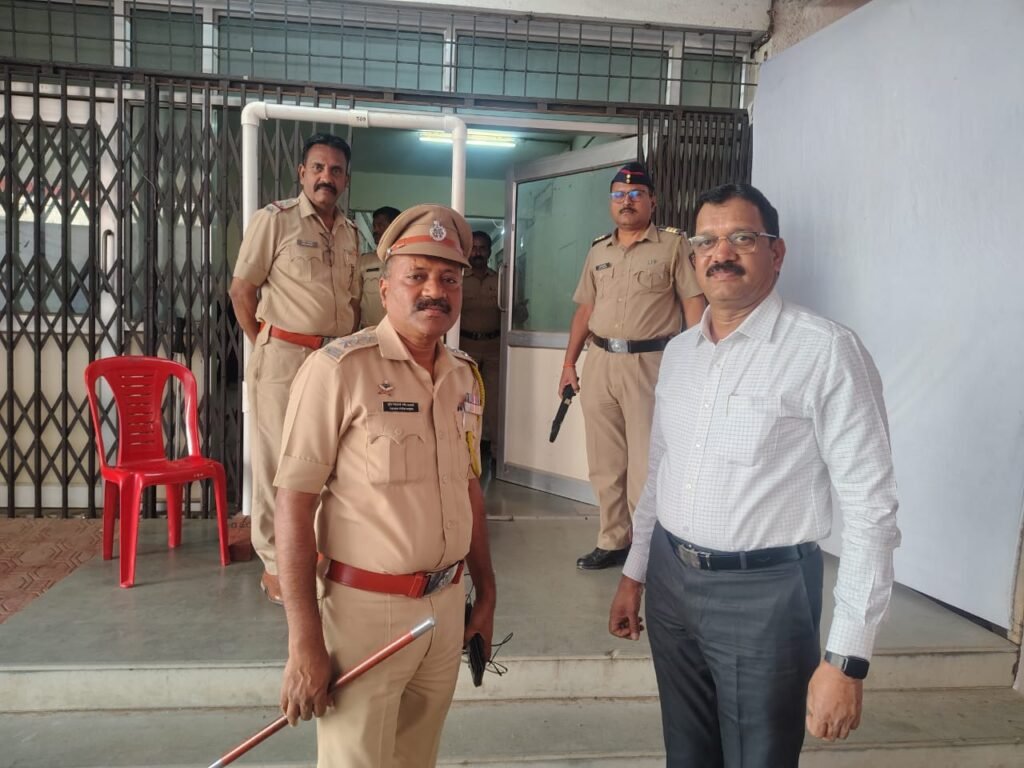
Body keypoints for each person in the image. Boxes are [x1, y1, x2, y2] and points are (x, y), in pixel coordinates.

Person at [608, 182, 901, 767]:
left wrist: (847, 658)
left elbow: (872, 510)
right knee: (687, 754)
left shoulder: (825, 351)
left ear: (776, 252)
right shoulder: (681, 353)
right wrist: (635, 572)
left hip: (765, 595)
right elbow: (661, 468)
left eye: (742, 238)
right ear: (693, 258)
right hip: (670, 582)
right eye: (707, 241)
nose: (722, 253)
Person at [274, 204, 497, 768]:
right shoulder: (337, 371)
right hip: (364, 617)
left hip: (445, 610)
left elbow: (469, 488)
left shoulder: (464, 375)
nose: (435, 291)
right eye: (417, 275)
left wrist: (486, 593)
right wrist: (304, 641)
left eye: (448, 278)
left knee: (417, 759)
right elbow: (293, 505)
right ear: (385, 287)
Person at [228, 132, 361, 604]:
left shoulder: (351, 232)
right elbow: (241, 291)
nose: (327, 177)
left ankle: (315, 555)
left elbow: (353, 301)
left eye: (336, 170)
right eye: (318, 168)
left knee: (326, 462)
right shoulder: (275, 220)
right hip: (283, 359)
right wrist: (267, 343)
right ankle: (275, 565)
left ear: (346, 179)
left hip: (333, 361)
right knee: (277, 465)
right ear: (302, 173)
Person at [559, 162, 705, 570]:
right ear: (611, 202)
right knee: (604, 462)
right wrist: (569, 363)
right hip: (600, 362)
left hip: (650, 364)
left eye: (636, 194)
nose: (627, 201)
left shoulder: (673, 246)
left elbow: (693, 304)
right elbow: (585, 310)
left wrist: (697, 363)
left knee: (645, 464)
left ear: (652, 201)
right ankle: (612, 539)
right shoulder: (598, 250)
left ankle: (645, 547)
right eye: (619, 196)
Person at [460, 230, 502, 456]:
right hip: (466, 347)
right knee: (467, 399)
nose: (477, 252)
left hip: (494, 348)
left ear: (489, 251)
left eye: (482, 248)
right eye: (474, 248)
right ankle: (466, 450)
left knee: (494, 402)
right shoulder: (458, 279)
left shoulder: (500, 280)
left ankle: (495, 452)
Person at [356, 205, 401, 328]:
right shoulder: (364, 261)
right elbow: (355, 302)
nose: (375, 230)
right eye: (374, 226)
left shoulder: (409, 261)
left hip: (399, 332)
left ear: (394, 227)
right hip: (369, 332)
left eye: (380, 225)